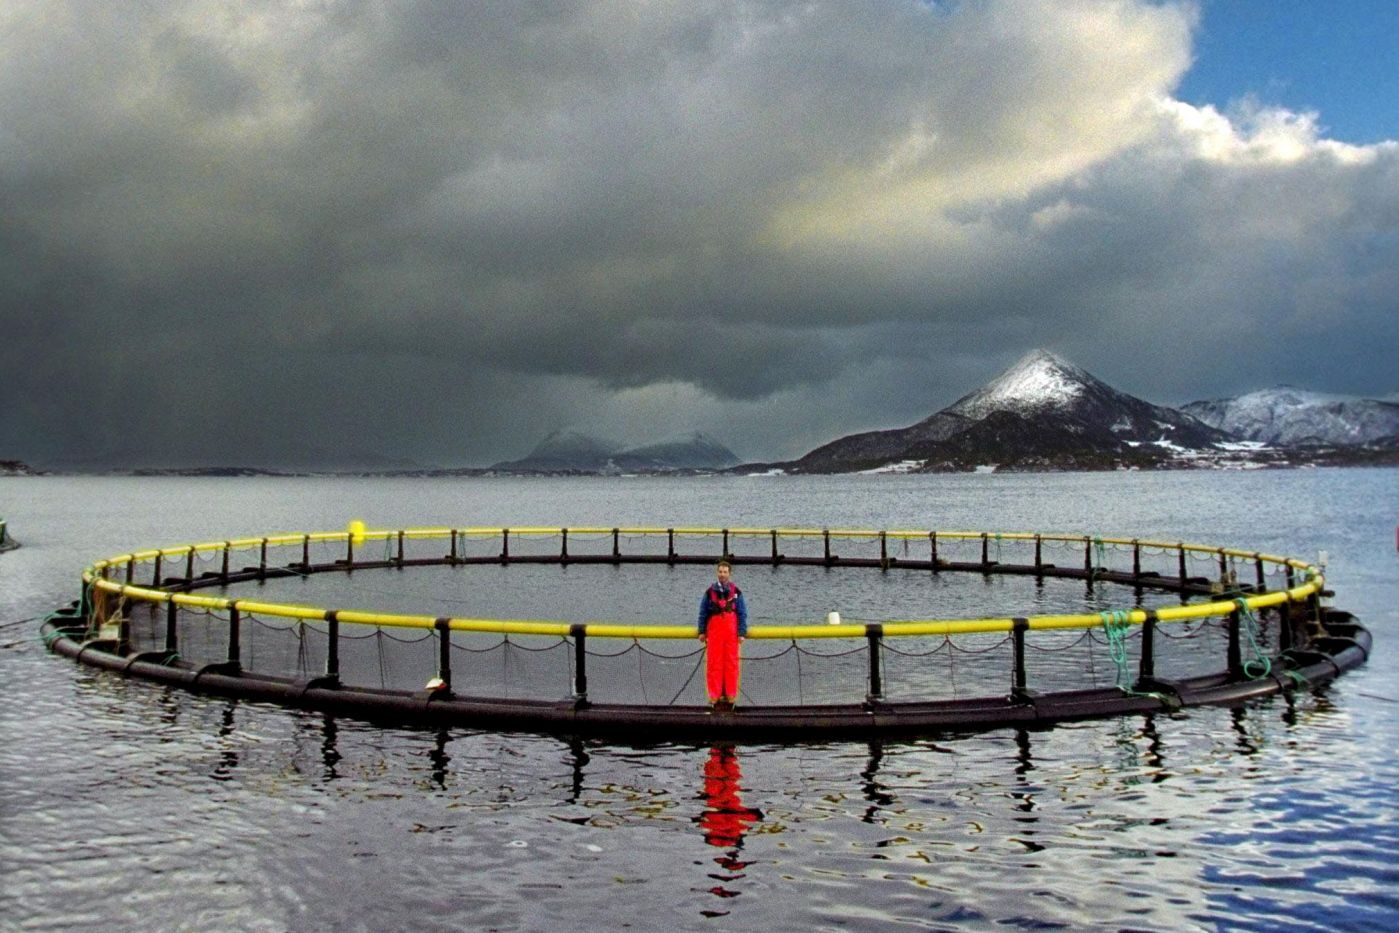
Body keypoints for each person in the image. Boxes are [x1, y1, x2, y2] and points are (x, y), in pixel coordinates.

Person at [697, 559, 747, 710]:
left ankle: (731, 696)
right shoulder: (709, 592)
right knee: (714, 664)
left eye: (725, 572)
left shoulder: (736, 593)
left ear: (729, 574)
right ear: (717, 573)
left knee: (731, 664)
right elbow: (703, 613)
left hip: (731, 634)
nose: (722, 574)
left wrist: (742, 632)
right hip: (714, 634)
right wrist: (701, 631)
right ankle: (714, 696)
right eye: (720, 571)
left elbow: (742, 613)